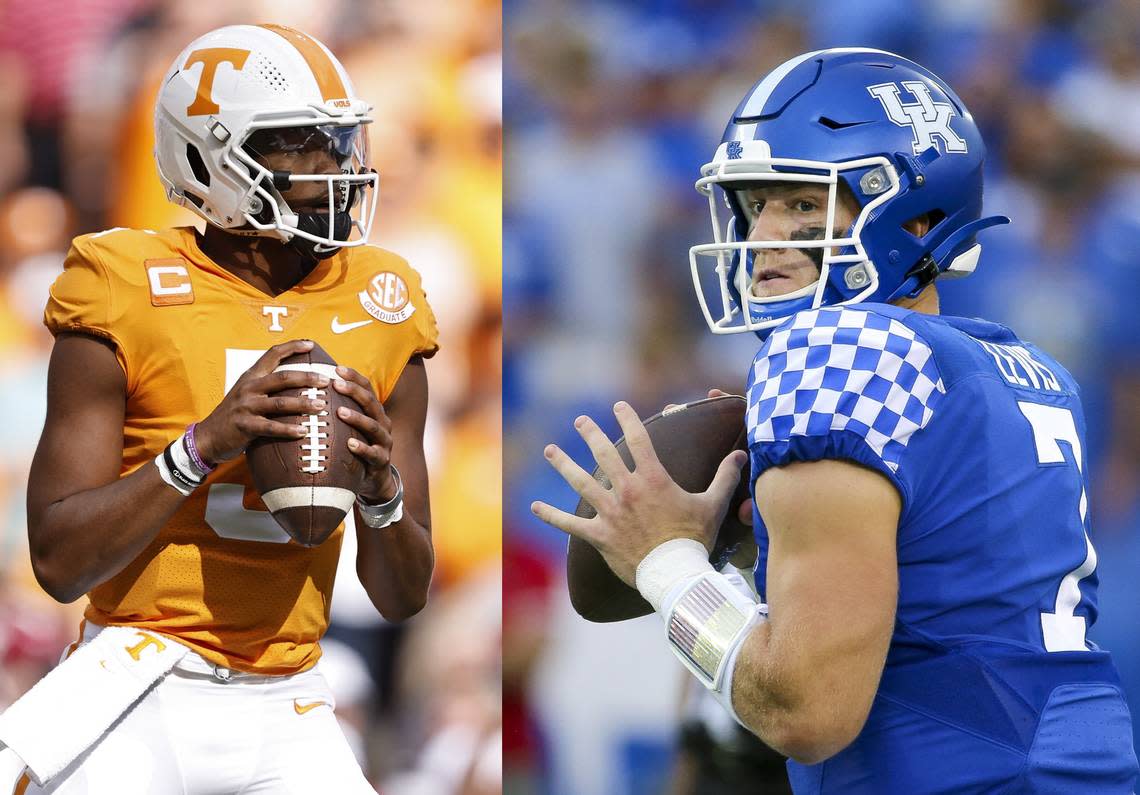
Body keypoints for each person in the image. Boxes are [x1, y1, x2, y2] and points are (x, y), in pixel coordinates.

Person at [533, 47, 1139, 793]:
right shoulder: (1033, 373)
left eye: (800, 204)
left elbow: (805, 711)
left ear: (915, 215)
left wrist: (666, 562)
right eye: (756, 206)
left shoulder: (835, 349)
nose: (760, 239)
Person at [1, 23, 438, 794]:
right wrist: (200, 447)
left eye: (336, 139)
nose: (334, 166)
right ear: (209, 158)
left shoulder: (383, 299)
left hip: (292, 698)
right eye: (298, 143)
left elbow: (402, 595)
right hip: (135, 682)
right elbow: (58, 561)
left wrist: (381, 494)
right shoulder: (123, 282)